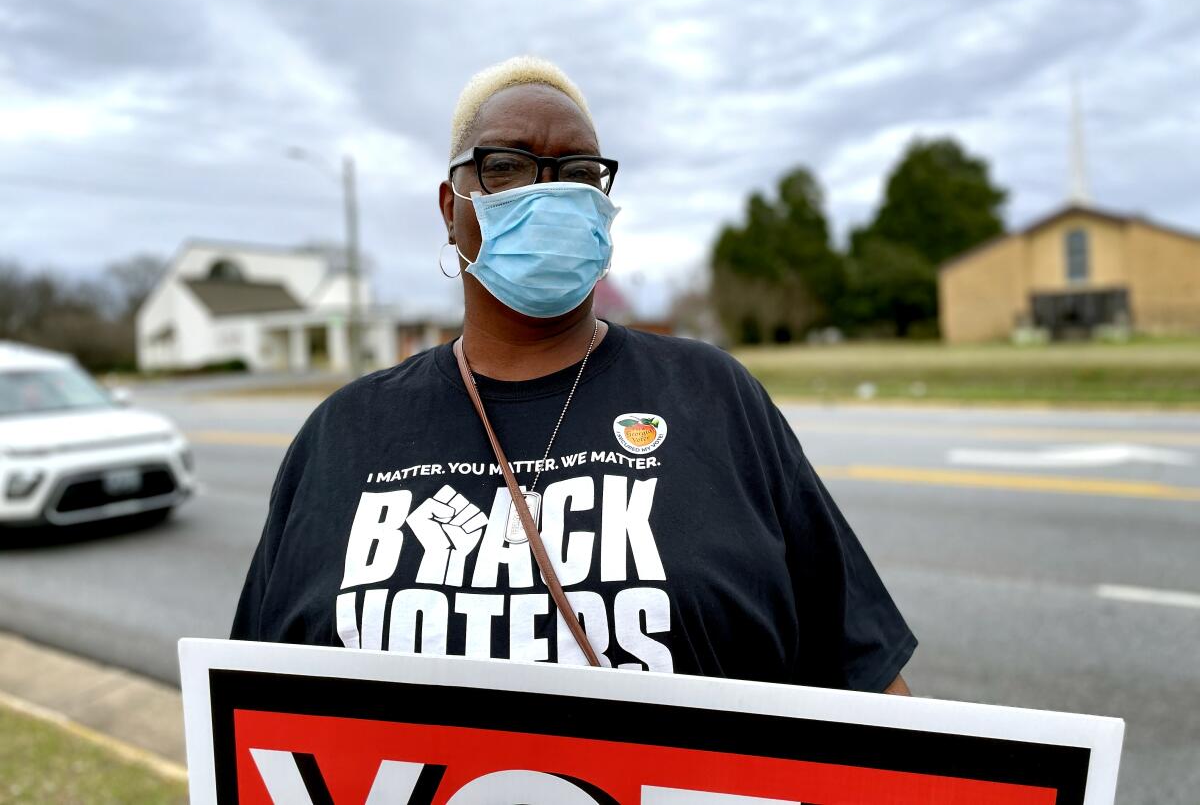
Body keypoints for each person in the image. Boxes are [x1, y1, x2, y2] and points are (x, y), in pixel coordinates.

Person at [231, 56, 916, 694]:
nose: (551, 192)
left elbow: (865, 678)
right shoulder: (344, 434)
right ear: (450, 208)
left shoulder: (716, 398)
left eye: (579, 171)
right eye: (506, 166)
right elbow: (254, 710)